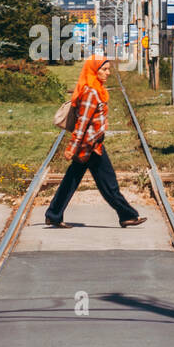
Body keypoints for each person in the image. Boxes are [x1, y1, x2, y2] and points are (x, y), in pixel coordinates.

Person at [45, 54, 145, 229]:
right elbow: (82, 124)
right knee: (109, 183)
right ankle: (127, 215)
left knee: (73, 179)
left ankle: (53, 214)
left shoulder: (96, 89)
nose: (108, 73)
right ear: (94, 71)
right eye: (104, 69)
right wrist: (71, 147)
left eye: (108, 69)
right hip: (89, 146)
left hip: (91, 144)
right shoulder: (91, 92)